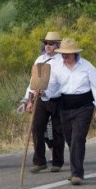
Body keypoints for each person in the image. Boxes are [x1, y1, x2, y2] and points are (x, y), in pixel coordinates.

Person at [43, 38, 96, 185]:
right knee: (70, 139)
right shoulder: (56, 67)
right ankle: (75, 168)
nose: (65, 56)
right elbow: (52, 87)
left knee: (78, 138)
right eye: (63, 53)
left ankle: (77, 173)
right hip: (64, 106)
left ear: (75, 53)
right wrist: (44, 93)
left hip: (84, 106)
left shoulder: (88, 67)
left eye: (68, 53)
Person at [22, 31, 65, 174]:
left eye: (51, 44)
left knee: (58, 131)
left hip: (58, 98)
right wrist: (28, 100)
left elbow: (63, 82)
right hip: (40, 98)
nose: (47, 46)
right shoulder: (39, 59)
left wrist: (48, 91)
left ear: (58, 45)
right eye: (46, 43)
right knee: (37, 128)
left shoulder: (63, 60)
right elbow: (32, 81)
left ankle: (58, 162)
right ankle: (40, 161)